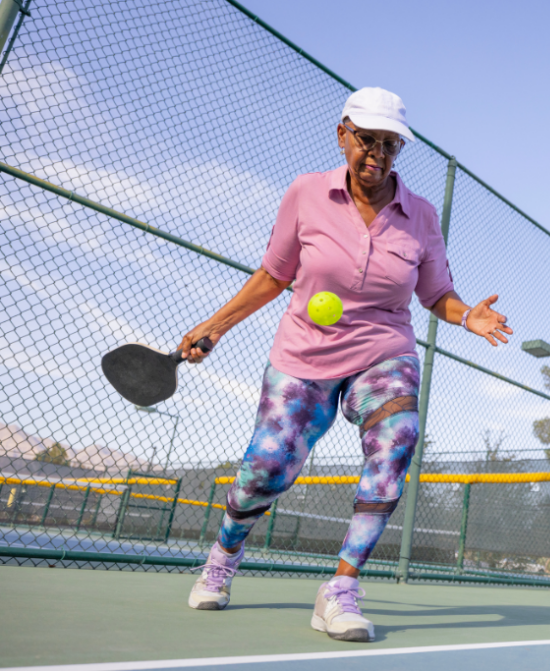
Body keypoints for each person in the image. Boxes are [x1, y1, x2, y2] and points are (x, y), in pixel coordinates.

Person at [181, 87, 512, 642]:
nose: (378, 154)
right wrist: (213, 326)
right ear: (343, 135)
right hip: (303, 352)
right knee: (267, 467)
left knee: (398, 440)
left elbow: (437, 294)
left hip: (385, 350)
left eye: (390, 144)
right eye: (367, 140)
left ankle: (340, 589)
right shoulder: (305, 194)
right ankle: (223, 556)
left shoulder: (422, 215)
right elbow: (273, 276)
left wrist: (465, 317)